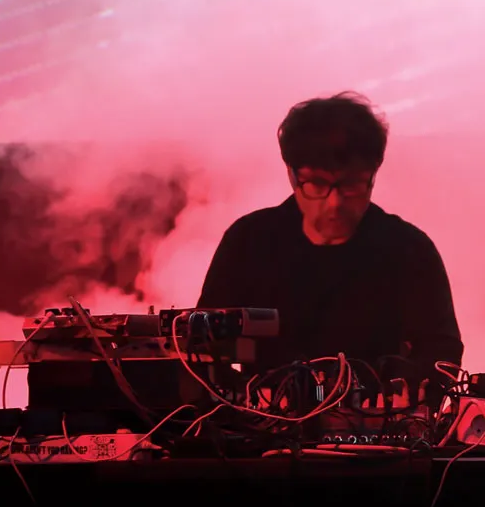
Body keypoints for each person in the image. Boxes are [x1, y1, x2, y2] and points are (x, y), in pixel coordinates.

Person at [197, 93, 463, 379]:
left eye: (351, 184)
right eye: (317, 183)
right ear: (291, 174)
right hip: (260, 422)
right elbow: (199, 347)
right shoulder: (248, 242)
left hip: (379, 423)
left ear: (373, 175)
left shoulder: (410, 250)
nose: (335, 202)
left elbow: (441, 354)